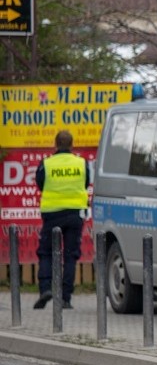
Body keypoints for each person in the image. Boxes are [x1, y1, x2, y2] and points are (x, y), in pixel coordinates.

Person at [34, 130, 91, 310]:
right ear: (72, 145)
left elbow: (40, 183)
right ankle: (66, 298)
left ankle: (45, 289)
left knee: (46, 253)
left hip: (52, 214)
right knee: (70, 255)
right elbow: (86, 182)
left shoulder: (47, 163)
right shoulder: (81, 163)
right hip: (75, 214)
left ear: (56, 144)